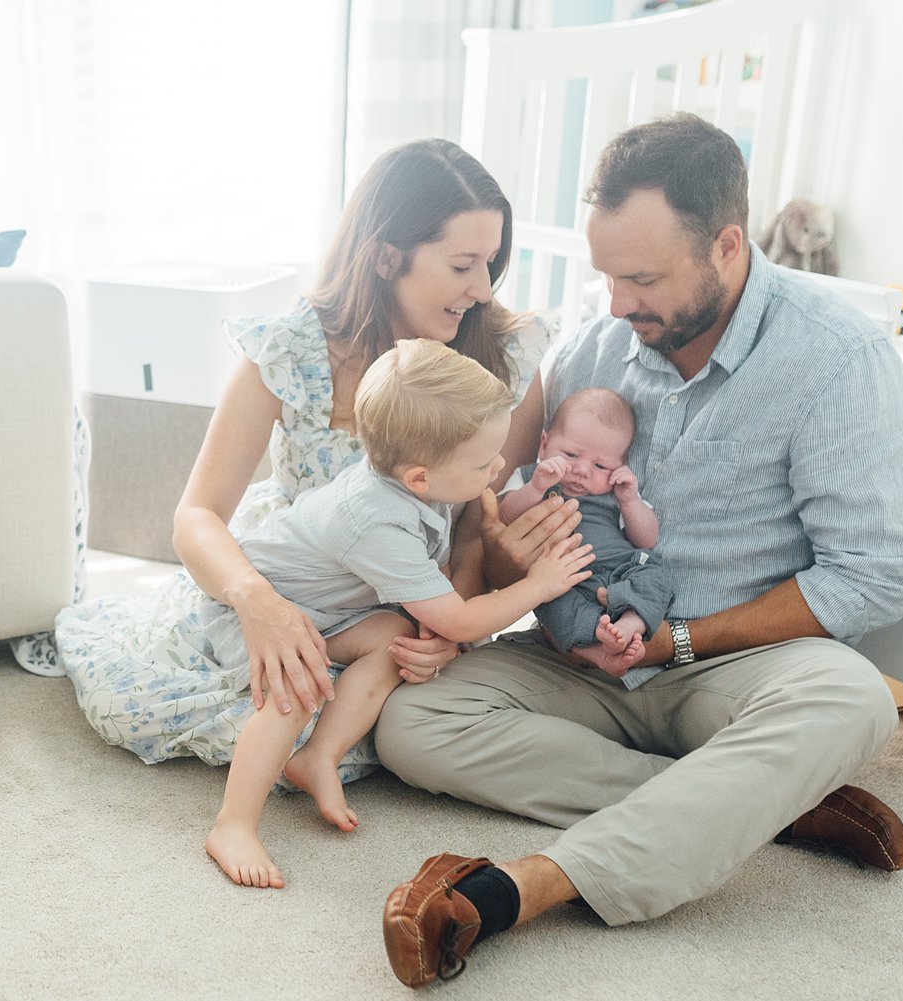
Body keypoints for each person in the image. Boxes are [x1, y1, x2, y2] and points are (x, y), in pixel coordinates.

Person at [374, 112, 903, 989]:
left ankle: (521, 885)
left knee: (856, 699)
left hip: (733, 666)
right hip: (581, 656)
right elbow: (492, 488)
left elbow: (870, 578)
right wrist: (513, 556)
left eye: (640, 278)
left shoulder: (837, 362)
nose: (616, 304)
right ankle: (758, 803)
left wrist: (677, 642)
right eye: (606, 275)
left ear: (726, 245)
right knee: (411, 719)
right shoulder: (600, 346)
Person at [53, 137, 583, 861]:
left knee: (391, 713)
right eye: (462, 265)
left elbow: (469, 529)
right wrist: (260, 605)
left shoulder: (505, 361)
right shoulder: (293, 350)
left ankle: (322, 746)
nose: (485, 288)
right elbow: (196, 516)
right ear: (386, 253)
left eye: (493, 263)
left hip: (406, 601)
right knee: (238, 700)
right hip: (296, 579)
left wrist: (446, 633)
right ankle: (237, 817)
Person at [203, 339, 594, 887]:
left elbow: (449, 585)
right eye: (485, 462)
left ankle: (318, 756)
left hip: (331, 610)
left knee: (394, 637)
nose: (500, 466)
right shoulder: (373, 520)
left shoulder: (428, 481)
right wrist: (539, 584)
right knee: (299, 677)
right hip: (269, 610)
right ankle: (234, 823)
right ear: (419, 479)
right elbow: (458, 620)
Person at [496, 386, 671, 686]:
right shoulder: (530, 478)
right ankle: (596, 652)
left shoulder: (617, 495)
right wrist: (536, 489)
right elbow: (505, 514)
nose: (581, 471)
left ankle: (631, 623)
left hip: (619, 569)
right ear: (544, 444)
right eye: (571, 454)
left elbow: (647, 539)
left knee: (657, 575)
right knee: (546, 600)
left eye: (600, 465)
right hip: (562, 578)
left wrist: (631, 502)